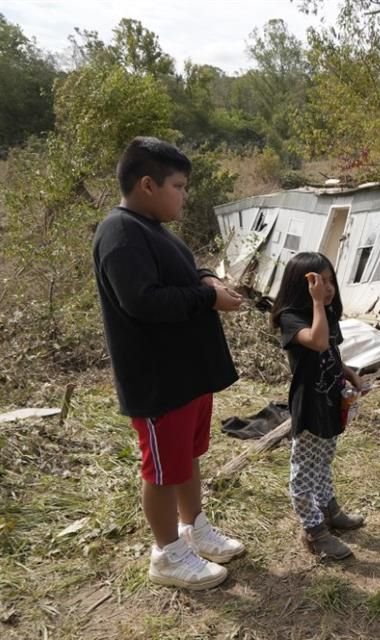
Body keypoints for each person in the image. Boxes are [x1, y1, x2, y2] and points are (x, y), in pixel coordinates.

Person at [92, 137, 246, 590]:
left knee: (186, 457)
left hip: (187, 375)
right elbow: (141, 301)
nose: (184, 194)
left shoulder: (153, 227)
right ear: (147, 185)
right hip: (158, 379)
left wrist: (207, 278)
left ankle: (193, 528)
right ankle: (167, 555)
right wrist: (207, 297)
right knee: (161, 470)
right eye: (178, 185)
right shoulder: (120, 233)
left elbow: (181, 274)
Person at [270, 252, 367, 559]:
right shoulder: (291, 317)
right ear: (303, 287)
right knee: (303, 471)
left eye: (330, 280)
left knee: (324, 459)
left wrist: (350, 374)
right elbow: (318, 342)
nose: (328, 288)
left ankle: (329, 509)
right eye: (319, 282)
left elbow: (332, 353)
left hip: (331, 399)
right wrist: (316, 304)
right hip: (309, 404)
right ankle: (313, 531)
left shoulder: (327, 314)